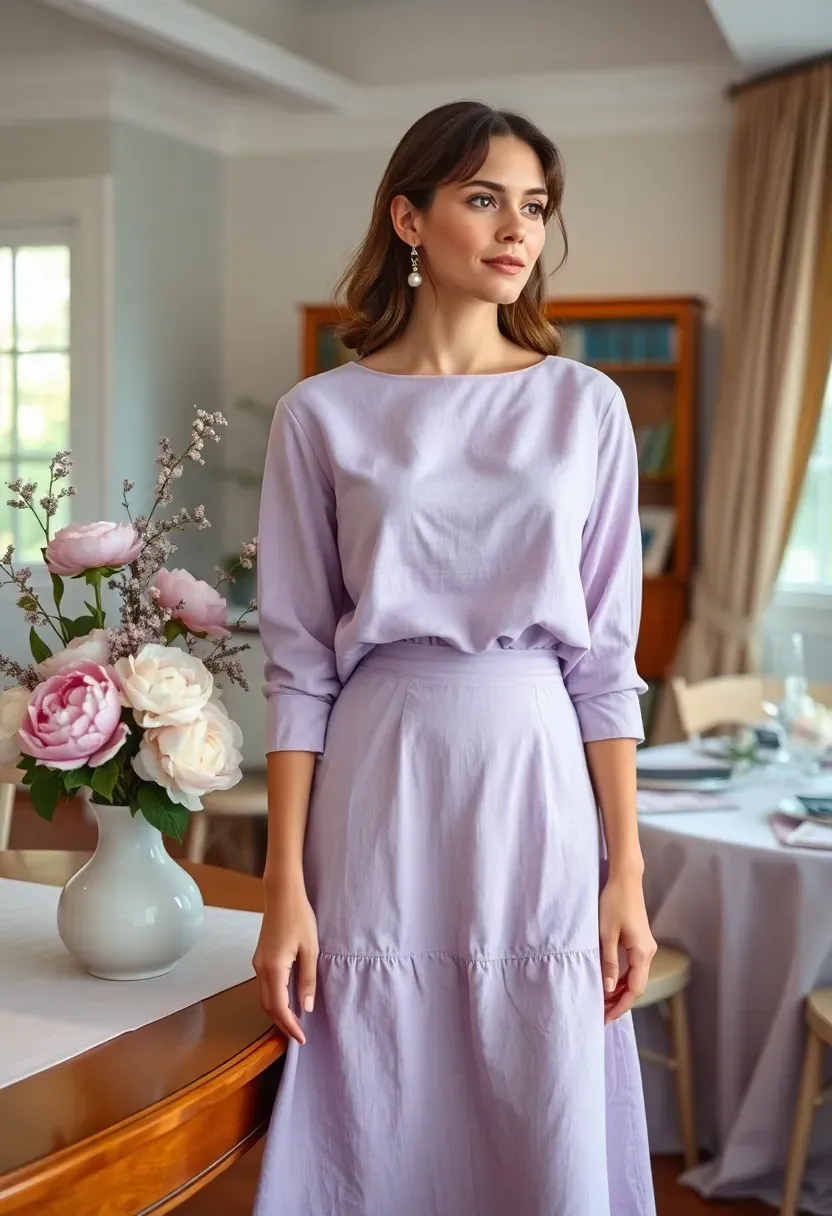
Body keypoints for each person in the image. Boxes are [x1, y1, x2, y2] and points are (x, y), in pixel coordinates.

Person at [252, 99, 658, 1216]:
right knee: (377, 1067)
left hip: (534, 778)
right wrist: (282, 884)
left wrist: (624, 870)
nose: (517, 228)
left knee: (538, 1067)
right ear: (408, 218)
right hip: (380, 778)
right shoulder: (318, 415)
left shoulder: (586, 407)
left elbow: (606, 663)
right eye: (483, 198)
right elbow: (296, 667)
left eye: (534, 206)